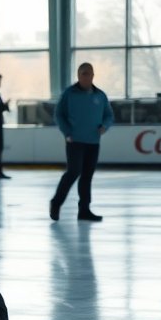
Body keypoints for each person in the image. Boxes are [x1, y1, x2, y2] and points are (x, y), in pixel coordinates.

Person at [50, 62, 113, 222]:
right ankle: (56, 203)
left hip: (93, 141)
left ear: (93, 75)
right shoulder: (69, 94)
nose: (86, 76)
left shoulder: (100, 95)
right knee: (73, 172)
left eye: (89, 73)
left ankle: (84, 209)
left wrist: (105, 126)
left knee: (87, 176)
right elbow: (59, 115)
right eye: (83, 73)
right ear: (78, 76)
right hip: (75, 140)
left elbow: (109, 115)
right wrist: (67, 132)